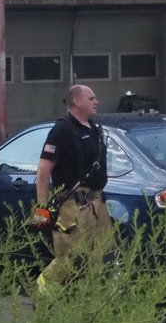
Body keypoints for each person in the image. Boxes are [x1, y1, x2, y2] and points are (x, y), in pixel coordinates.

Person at [33, 84, 112, 291]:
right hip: (73, 206)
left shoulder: (94, 129)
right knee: (70, 258)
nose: (97, 102)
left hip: (97, 204)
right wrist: (42, 211)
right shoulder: (62, 130)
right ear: (76, 101)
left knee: (101, 257)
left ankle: (90, 306)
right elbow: (43, 173)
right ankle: (42, 292)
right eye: (91, 98)